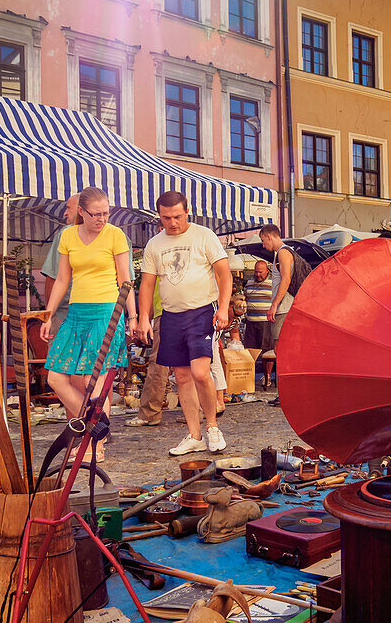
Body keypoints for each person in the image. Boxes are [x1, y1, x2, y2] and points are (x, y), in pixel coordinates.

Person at [41, 186, 136, 461]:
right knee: (56, 377)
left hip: (107, 312)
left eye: (106, 213)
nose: (102, 219)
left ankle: (96, 446)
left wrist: (132, 316)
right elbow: (62, 280)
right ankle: (95, 427)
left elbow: (125, 279)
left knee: (90, 382)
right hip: (76, 313)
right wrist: (48, 315)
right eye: (96, 214)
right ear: (81, 212)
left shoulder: (115, 235)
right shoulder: (67, 235)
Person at [136, 191, 231, 456]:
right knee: (181, 376)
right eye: (166, 217)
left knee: (201, 372)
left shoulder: (204, 235)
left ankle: (212, 427)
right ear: (159, 216)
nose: (172, 222)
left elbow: (224, 273)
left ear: (187, 212)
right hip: (171, 315)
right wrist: (144, 317)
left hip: (202, 311)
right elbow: (147, 283)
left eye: (177, 216)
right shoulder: (154, 244)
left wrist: (223, 307)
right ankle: (194, 435)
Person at [40, 195, 79, 335]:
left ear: (80, 209)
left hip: (66, 316)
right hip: (69, 315)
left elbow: (52, 277)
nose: (65, 213)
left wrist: (48, 315)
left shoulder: (66, 233)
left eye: (68, 208)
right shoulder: (116, 236)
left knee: (60, 356)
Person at [260, 224, 295, 350]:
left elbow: (286, 279)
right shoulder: (283, 252)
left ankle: (282, 371)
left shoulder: (283, 252)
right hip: (285, 307)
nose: (263, 245)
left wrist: (274, 305)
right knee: (282, 348)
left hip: (284, 308)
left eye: (263, 241)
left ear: (269, 236)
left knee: (279, 348)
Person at [244, 260, 273, 353]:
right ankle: (253, 367)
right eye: (256, 271)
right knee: (250, 349)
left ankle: (265, 368)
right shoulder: (249, 281)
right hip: (250, 322)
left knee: (266, 350)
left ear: (267, 271)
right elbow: (246, 297)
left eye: (261, 272)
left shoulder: (273, 282)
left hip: (265, 322)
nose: (258, 274)